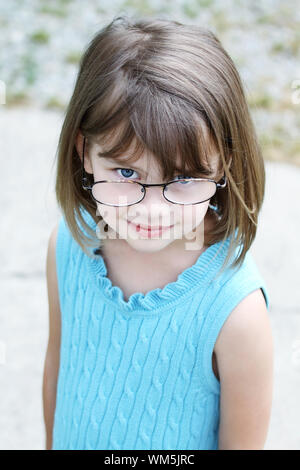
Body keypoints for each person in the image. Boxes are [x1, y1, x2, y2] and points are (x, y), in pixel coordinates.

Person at [43, 15, 273, 450]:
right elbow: (57, 370)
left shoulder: (236, 315)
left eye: (184, 178)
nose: (152, 209)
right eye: (126, 171)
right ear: (84, 153)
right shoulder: (69, 246)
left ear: (223, 162)